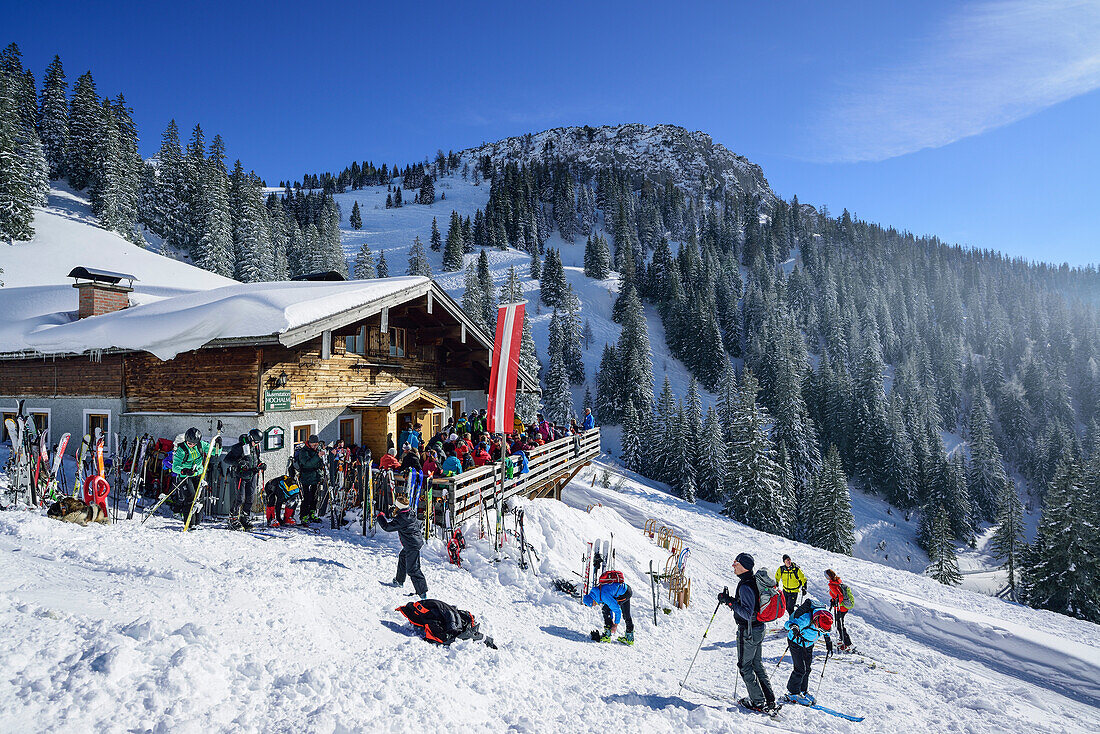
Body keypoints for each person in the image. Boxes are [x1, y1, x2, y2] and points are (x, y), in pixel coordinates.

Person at [718, 552, 777, 714]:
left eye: (736, 563)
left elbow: (747, 613)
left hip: (748, 632)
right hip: (759, 629)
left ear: (743, 566)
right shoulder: (752, 581)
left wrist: (729, 602)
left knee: (745, 666)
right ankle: (769, 699)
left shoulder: (745, 585)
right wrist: (731, 600)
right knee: (756, 664)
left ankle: (758, 701)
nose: (733, 565)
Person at [377, 490, 428, 599]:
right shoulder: (409, 512)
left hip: (411, 545)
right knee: (403, 557)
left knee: (413, 569)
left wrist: (380, 517)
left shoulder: (402, 519)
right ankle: (399, 581)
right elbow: (398, 516)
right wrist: (393, 511)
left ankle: (422, 593)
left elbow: (387, 527)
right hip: (414, 541)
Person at [782, 600, 833, 705]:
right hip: (796, 642)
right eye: (821, 630)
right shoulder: (807, 618)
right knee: (800, 669)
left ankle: (802, 691)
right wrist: (794, 627)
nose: (822, 633)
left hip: (809, 644)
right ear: (816, 621)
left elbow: (826, 630)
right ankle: (792, 692)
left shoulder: (826, 619)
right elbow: (788, 624)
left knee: (807, 669)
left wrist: (828, 640)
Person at [225, 430, 265, 530]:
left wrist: (261, 465)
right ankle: (233, 518)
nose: (257, 444)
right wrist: (239, 462)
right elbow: (227, 459)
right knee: (240, 499)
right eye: (256, 442)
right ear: (251, 438)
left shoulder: (256, 447)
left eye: (258, 442)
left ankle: (245, 517)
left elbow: (256, 459)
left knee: (250, 498)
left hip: (252, 474)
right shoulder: (239, 447)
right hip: (241, 476)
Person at [582, 573, 634, 644]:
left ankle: (607, 635)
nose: (594, 606)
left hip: (624, 593)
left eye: (592, 604)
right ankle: (629, 638)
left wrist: (615, 625)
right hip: (625, 589)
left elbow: (617, 610)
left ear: (592, 600)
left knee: (606, 609)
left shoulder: (603, 595)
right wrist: (611, 621)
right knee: (625, 613)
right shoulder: (597, 592)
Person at [170, 427, 209, 523]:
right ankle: (190, 522)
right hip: (185, 477)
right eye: (189, 443)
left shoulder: (201, 445)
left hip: (198, 474)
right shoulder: (181, 449)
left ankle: (198, 522)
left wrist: (218, 446)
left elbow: (214, 451)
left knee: (199, 498)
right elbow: (175, 467)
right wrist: (184, 471)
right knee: (190, 497)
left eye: (194, 444)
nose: (191, 445)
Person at [293, 435, 325, 524]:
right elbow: (307, 463)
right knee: (306, 498)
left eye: (316, 445)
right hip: (305, 477)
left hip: (315, 477)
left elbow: (319, 463)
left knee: (314, 497)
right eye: (313, 445)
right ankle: (303, 516)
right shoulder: (304, 451)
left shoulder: (318, 449)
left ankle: (312, 514)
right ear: (309, 443)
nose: (315, 446)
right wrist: (318, 456)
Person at [825, 569, 854, 650]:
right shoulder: (838, 581)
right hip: (844, 607)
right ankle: (842, 640)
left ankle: (847, 644)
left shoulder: (832, 584)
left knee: (839, 626)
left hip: (840, 608)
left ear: (828, 577)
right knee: (840, 624)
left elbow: (840, 596)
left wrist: (835, 602)